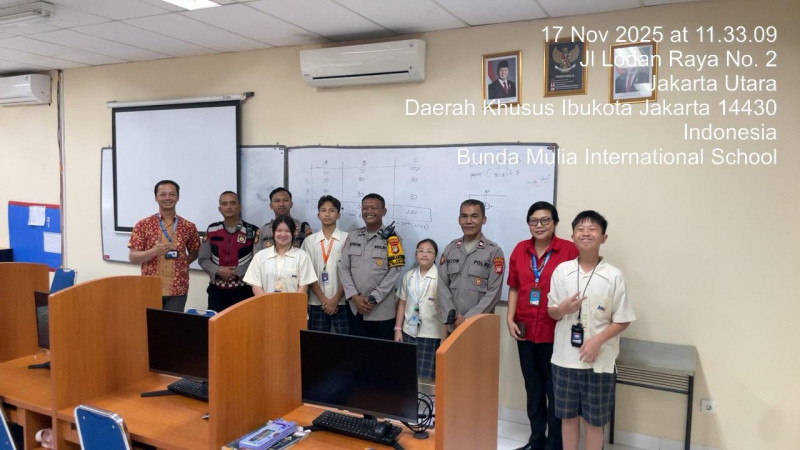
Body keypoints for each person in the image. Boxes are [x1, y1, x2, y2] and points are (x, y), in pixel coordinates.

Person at [547, 211, 636, 450]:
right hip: (565, 359)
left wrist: (597, 341)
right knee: (567, 417)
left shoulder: (614, 275)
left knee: (595, 422)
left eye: (593, 229)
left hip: (600, 362)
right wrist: (562, 309)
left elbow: (623, 319)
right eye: (580, 228)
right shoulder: (561, 271)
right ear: (573, 236)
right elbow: (551, 311)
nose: (586, 233)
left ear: (604, 237)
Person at [506, 202, 579, 450]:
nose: (539, 225)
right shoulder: (519, 249)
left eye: (545, 220)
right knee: (533, 389)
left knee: (555, 392)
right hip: (525, 331)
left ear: (555, 223)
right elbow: (514, 286)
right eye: (534, 221)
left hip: (556, 332)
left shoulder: (569, 250)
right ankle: (536, 440)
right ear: (528, 224)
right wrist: (509, 318)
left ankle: (554, 444)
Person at [338, 193, 405, 340]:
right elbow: (344, 268)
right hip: (356, 309)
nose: (369, 211)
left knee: (380, 356)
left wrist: (373, 298)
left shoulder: (393, 239)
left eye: (373, 208)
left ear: (384, 211)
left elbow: (394, 272)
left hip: (381, 311)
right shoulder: (353, 236)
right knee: (357, 354)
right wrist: (355, 297)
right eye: (365, 208)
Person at [129, 180, 201, 312]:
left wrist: (181, 264)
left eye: (172, 194)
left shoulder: (189, 227)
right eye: (163, 194)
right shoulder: (143, 225)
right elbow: (133, 258)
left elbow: (195, 252)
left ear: (178, 197)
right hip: (150, 289)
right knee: (149, 328)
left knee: (171, 329)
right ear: (156, 197)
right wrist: (153, 252)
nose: (167, 198)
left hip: (178, 290)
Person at [438, 199, 504, 332]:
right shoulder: (450, 249)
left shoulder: (493, 251)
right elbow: (442, 285)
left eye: (474, 216)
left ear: (483, 219)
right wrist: (454, 317)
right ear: (459, 220)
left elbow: (494, 293)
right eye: (464, 216)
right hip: (453, 325)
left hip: (480, 327)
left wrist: (467, 319)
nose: (468, 221)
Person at [197, 191, 260, 312]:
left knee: (243, 328)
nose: (229, 207)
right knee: (217, 328)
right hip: (217, 292)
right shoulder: (212, 229)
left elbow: (257, 260)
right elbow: (203, 258)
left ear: (239, 206)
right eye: (224, 204)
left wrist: (237, 272)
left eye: (233, 203)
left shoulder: (252, 230)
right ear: (219, 208)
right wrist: (219, 271)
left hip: (244, 291)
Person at [394, 239, 442, 382]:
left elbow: (445, 309)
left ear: (435, 256)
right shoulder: (408, 276)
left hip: (431, 333)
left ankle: (431, 403)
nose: (424, 254)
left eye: (429, 251)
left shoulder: (440, 278)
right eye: (421, 251)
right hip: (408, 330)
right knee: (407, 371)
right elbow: (402, 303)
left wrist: (444, 337)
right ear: (416, 255)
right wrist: (398, 329)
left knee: (431, 375)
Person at [301, 195, 349, 333]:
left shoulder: (347, 239)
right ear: (318, 214)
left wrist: (335, 300)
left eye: (332, 210)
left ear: (338, 215)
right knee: (318, 344)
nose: (327, 214)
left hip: (342, 301)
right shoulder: (309, 241)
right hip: (317, 302)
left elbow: (351, 272)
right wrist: (324, 300)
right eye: (323, 210)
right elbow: (306, 273)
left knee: (344, 344)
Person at [243, 215, 317, 295]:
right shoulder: (260, 257)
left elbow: (303, 286)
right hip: (266, 305)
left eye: (287, 231)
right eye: (279, 230)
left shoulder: (302, 256)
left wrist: (294, 305)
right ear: (273, 232)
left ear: (293, 233)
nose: (283, 234)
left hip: (293, 306)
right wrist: (267, 304)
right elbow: (256, 286)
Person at [254, 187, 312, 252]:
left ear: (291, 204)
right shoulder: (263, 231)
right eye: (277, 201)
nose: (281, 204)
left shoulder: (303, 228)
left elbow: (310, 255)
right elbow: (257, 257)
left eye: (285, 200)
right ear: (271, 206)